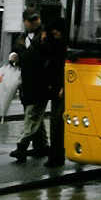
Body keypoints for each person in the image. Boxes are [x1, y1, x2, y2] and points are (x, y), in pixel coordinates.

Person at [9, 9, 49, 163]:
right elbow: (18, 54)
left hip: (41, 83)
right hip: (25, 84)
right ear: (25, 21)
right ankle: (41, 146)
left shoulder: (45, 36)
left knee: (32, 115)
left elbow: (46, 56)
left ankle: (22, 146)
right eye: (31, 20)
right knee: (34, 115)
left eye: (36, 19)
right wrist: (14, 57)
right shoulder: (21, 37)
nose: (34, 22)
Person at [43, 17, 67, 168]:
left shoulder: (61, 46)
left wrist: (64, 87)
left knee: (57, 123)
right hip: (56, 88)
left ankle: (57, 156)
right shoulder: (55, 44)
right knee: (56, 123)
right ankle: (56, 155)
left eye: (57, 32)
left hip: (62, 88)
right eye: (53, 32)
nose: (55, 34)